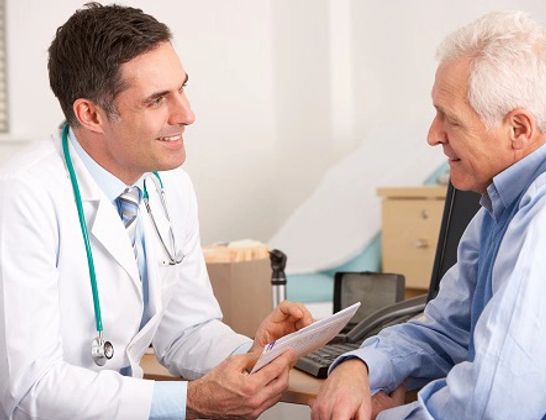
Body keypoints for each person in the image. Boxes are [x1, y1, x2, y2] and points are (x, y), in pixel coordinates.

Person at [0, 3, 313, 419]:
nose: (186, 115)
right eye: (156, 100)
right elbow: (30, 388)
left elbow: (187, 331)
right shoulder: (21, 195)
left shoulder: (169, 185)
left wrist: (254, 354)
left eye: (182, 88)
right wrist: (187, 402)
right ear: (90, 114)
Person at [312, 10, 546, 420]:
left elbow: (495, 407)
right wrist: (360, 365)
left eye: (450, 118)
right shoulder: (504, 197)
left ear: (518, 129)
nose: (433, 135)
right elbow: (446, 330)